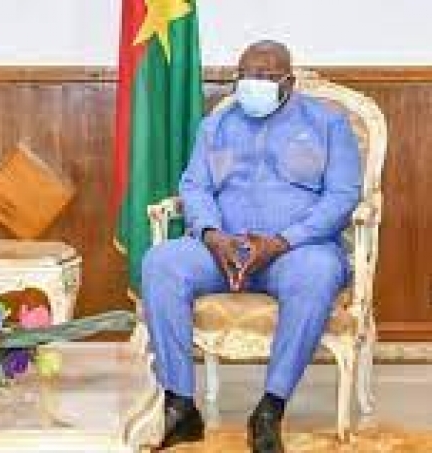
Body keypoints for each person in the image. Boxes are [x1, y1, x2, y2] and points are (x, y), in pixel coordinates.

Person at [140, 40, 361, 452]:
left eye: (264, 76)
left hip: (295, 251)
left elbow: (342, 196)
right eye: (244, 75)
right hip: (223, 250)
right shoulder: (216, 126)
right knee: (161, 262)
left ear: (288, 82)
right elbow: (195, 186)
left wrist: (282, 241)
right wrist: (211, 235)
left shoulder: (328, 125)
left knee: (318, 272)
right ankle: (180, 405)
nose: (251, 84)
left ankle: (269, 410)